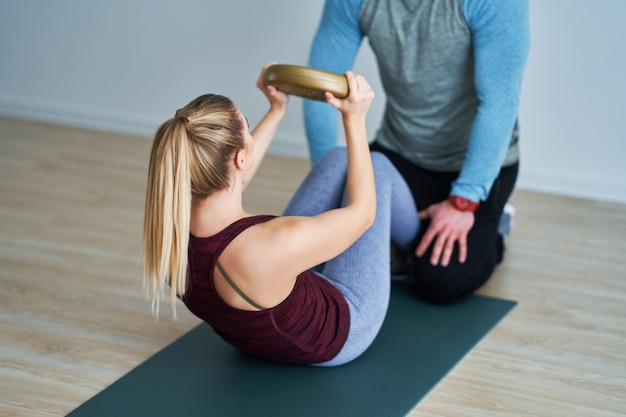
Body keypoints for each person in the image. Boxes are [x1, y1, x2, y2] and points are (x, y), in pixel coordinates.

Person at [142, 64, 420, 366]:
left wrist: (277, 109)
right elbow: (363, 215)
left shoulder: (167, 232)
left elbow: (235, 177)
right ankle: (424, 244)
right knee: (377, 166)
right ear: (240, 158)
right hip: (341, 332)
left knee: (339, 159)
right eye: (247, 127)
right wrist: (355, 119)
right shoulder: (272, 243)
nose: (250, 134)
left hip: (256, 333)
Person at [304, 0, 530, 304]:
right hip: (399, 151)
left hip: (474, 165)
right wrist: (330, 185)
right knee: (322, 250)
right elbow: (321, 89)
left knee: (439, 282)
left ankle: (496, 228)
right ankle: (412, 234)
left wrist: (466, 200)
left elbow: (500, 104)